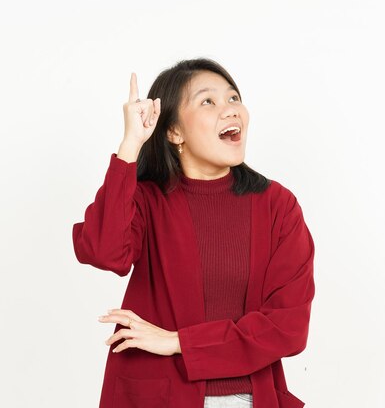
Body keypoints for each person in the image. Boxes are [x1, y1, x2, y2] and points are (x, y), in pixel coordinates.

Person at [72, 58, 315, 408]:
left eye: (233, 98)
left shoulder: (277, 205)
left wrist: (178, 342)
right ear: (174, 132)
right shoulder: (147, 200)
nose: (230, 110)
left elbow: (288, 327)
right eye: (208, 101)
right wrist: (130, 145)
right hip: (158, 397)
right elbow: (102, 250)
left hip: (247, 398)